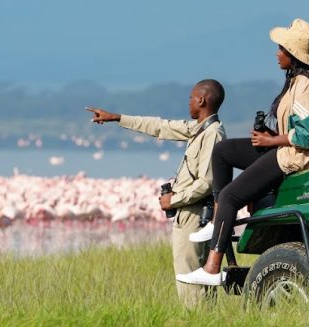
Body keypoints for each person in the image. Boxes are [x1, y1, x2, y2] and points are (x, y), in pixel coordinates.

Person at [177, 18, 309, 286]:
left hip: (299, 158)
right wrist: (273, 136)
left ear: (293, 54)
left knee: (231, 195)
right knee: (223, 151)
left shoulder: (308, 86)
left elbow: (308, 136)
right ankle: (218, 222)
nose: (277, 53)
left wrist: (272, 141)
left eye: (281, 49)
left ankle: (212, 267)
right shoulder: (303, 80)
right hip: (291, 150)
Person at [86, 79, 226, 307]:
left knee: (190, 278)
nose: (188, 102)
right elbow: (160, 126)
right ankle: (201, 321)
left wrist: (173, 200)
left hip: (195, 214)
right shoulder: (198, 129)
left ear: (201, 100)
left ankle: (196, 322)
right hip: (187, 213)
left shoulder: (212, 133)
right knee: (189, 275)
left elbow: (207, 182)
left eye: (191, 98)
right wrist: (117, 118)